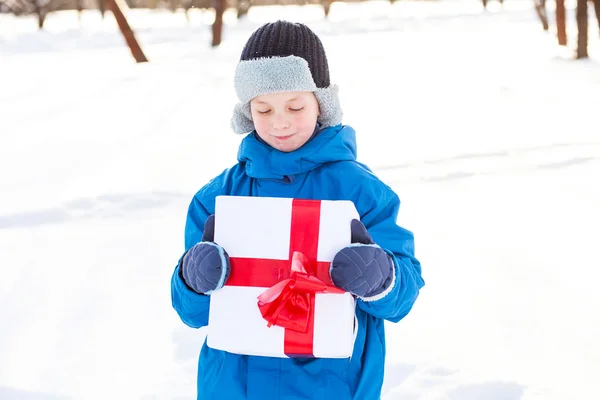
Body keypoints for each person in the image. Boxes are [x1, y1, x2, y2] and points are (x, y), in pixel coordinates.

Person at [171, 20, 424, 400]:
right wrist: (192, 279)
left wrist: (381, 276)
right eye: (263, 109)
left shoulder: (359, 192)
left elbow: (404, 293)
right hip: (234, 386)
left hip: (330, 385)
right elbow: (191, 312)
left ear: (321, 102)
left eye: (294, 105)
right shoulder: (218, 198)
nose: (280, 122)